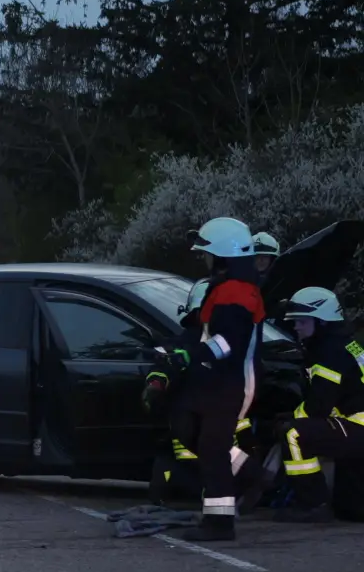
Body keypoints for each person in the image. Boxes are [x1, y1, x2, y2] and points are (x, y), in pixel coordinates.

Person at [155, 217, 264, 541]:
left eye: (207, 253)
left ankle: (219, 523)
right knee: (191, 431)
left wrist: (191, 356)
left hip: (231, 382)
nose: (204, 259)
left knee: (213, 450)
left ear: (222, 255)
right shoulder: (229, 287)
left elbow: (229, 340)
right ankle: (249, 473)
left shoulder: (237, 292)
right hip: (217, 379)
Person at [143, 278, 257, 505]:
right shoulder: (189, 341)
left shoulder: (228, 343)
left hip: (213, 430)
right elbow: (164, 362)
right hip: (199, 435)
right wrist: (156, 383)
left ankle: (235, 491)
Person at [273, 286, 364, 522]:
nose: (296, 327)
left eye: (302, 322)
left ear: (321, 321)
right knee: (351, 510)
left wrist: (289, 419)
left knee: (293, 433)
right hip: (355, 426)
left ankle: (313, 504)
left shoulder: (329, 353)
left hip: (358, 427)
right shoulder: (344, 345)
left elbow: (318, 406)